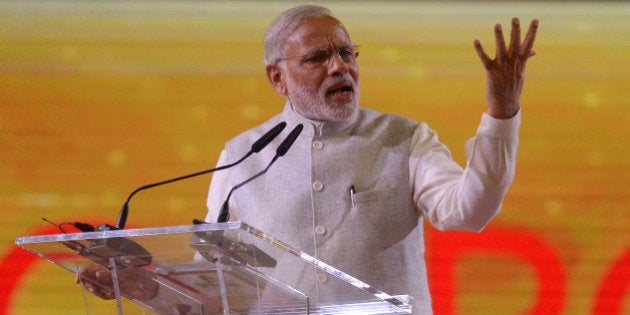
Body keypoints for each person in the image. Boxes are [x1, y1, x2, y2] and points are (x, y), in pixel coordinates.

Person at [79, 5, 538, 314]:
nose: (340, 67)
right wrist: (147, 289)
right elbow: (224, 295)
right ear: (277, 77)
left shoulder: (404, 138)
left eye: (346, 53)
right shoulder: (240, 159)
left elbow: (471, 210)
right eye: (318, 58)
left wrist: (501, 114)